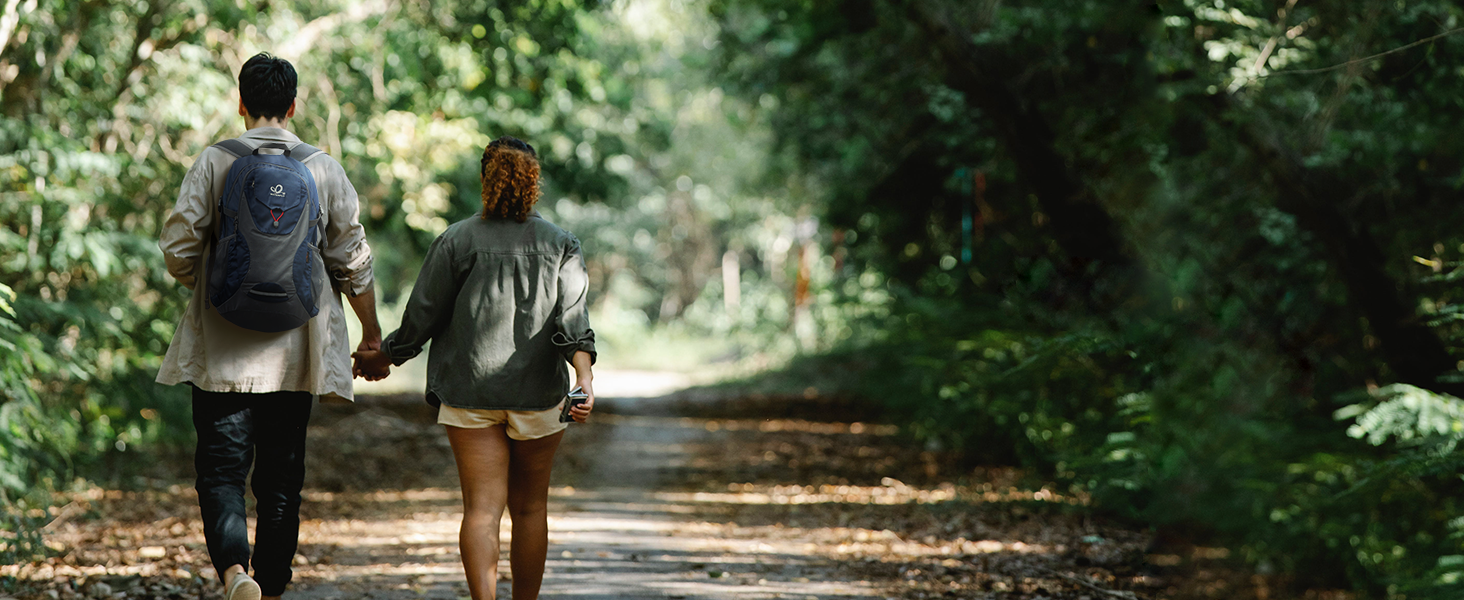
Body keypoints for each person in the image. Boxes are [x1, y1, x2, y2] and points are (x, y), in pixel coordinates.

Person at [157, 53, 380, 600]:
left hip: (222, 352)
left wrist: (213, 286)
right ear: (292, 105)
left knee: (221, 472)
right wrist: (371, 336)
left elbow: (178, 248)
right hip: (295, 351)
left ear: (241, 103)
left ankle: (236, 574)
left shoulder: (215, 161)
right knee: (280, 482)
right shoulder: (322, 167)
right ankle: (273, 588)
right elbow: (353, 259)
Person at [351, 136, 596, 600]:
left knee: (482, 511)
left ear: (486, 179)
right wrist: (583, 382)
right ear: (533, 182)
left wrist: (384, 355)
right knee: (529, 511)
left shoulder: (456, 240)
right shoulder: (561, 244)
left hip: (469, 396)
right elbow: (574, 324)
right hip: (540, 397)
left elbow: (422, 316)